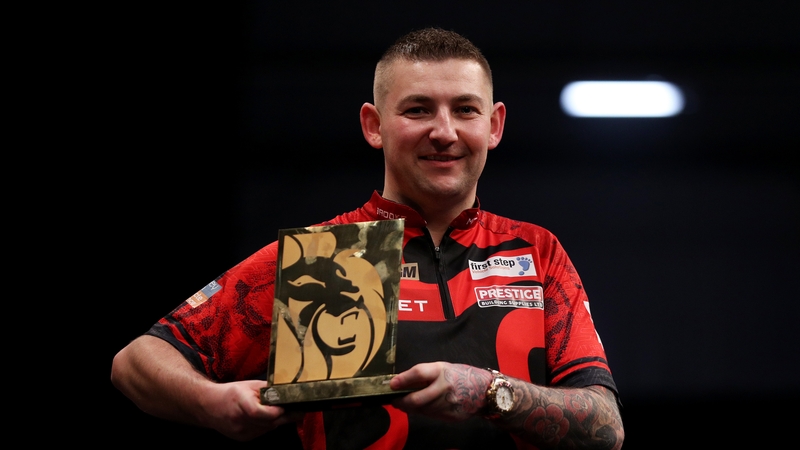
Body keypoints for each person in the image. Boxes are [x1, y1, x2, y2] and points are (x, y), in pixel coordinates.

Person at [111, 27, 625, 449]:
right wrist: (212, 402)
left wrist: (492, 392)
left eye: (465, 110)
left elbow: (606, 427)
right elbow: (135, 361)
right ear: (374, 125)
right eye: (418, 109)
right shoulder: (320, 255)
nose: (444, 131)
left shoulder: (536, 252)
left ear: (494, 126)